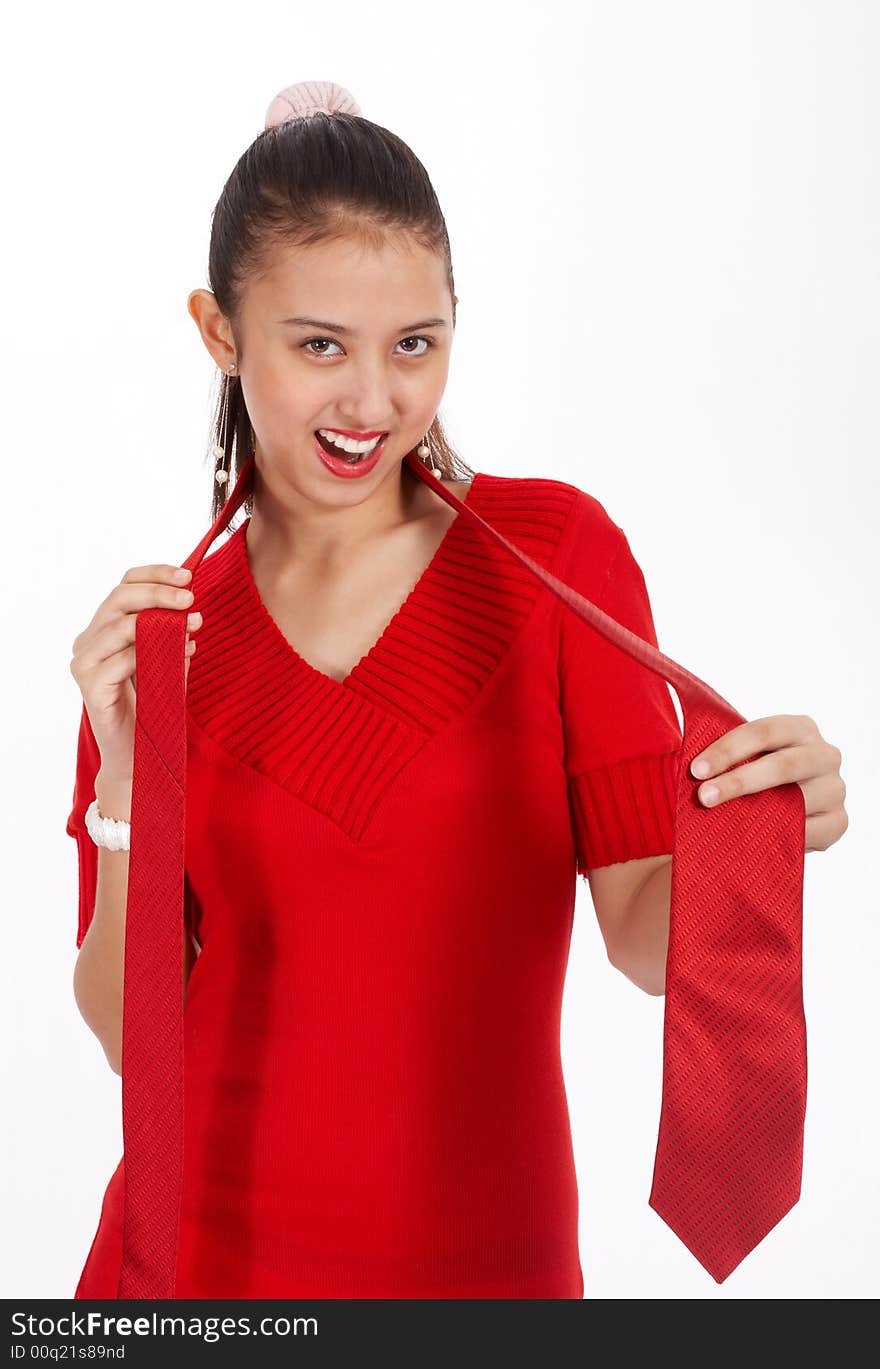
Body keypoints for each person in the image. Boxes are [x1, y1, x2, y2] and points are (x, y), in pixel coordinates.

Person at [66, 80, 848, 1300]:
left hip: (491, 1276)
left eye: (413, 344)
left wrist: (749, 838)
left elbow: (644, 939)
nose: (372, 402)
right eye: (319, 343)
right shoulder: (164, 644)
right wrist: (124, 780)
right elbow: (131, 1038)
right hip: (202, 1273)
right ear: (221, 333)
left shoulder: (556, 565)